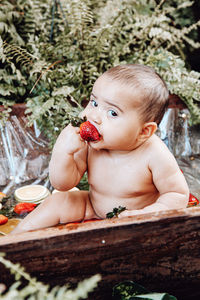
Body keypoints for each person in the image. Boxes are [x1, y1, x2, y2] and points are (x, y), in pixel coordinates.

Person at [12, 64, 189, 234]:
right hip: (92, 206)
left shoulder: (155, 153)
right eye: (94, 103)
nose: (94, 116)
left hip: (134, 220)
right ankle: (14, 241)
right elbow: (63, 184)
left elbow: (177, 194)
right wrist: (63, 152)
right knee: (58, 200)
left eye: (112, 113)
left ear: (144, 131)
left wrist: (151, 213)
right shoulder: (90, 145)